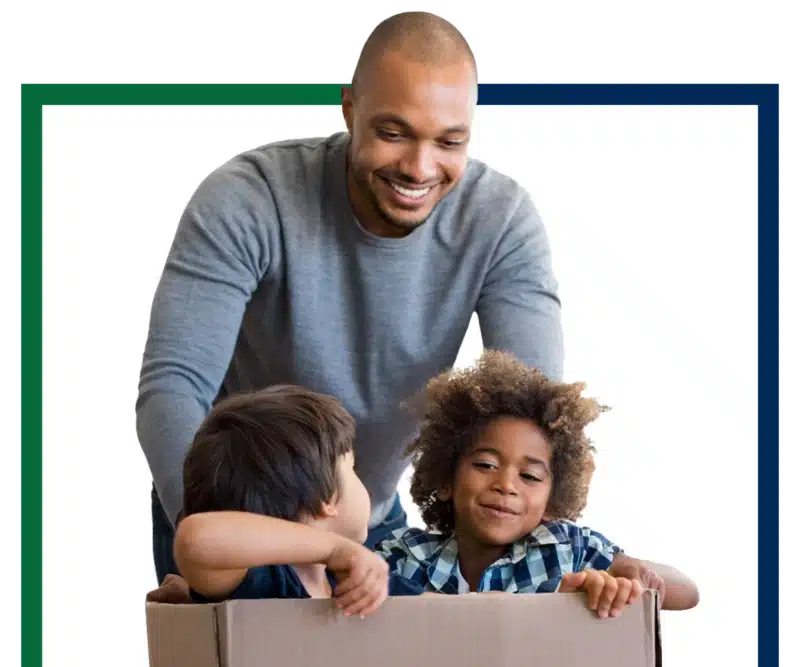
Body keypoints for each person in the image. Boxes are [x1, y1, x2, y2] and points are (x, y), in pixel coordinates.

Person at [136, 9, 564, 585]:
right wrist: (213, 542)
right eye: (393, 133)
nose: (419, 167)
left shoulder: (502, 221)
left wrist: (550, 568)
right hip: (231, 523)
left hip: (368, 521)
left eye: (449, 141)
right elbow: (173, 387)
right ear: (349, 108)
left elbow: (531, 415)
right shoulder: (248, 198)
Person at [376, 350, 700, 618]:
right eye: (486, 465)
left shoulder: (569, 549)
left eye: (529, 476)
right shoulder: (406, 554)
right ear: (445, 479)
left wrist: (634, 572)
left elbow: (688, 593)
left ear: (552, 499)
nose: (506, 485)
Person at [172, 383, 423, 617]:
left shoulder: (359, 582)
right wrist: (334, 548)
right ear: (328, 498)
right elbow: (195, 539)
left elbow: (447, 615)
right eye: (353, 468)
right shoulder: (260, 584)